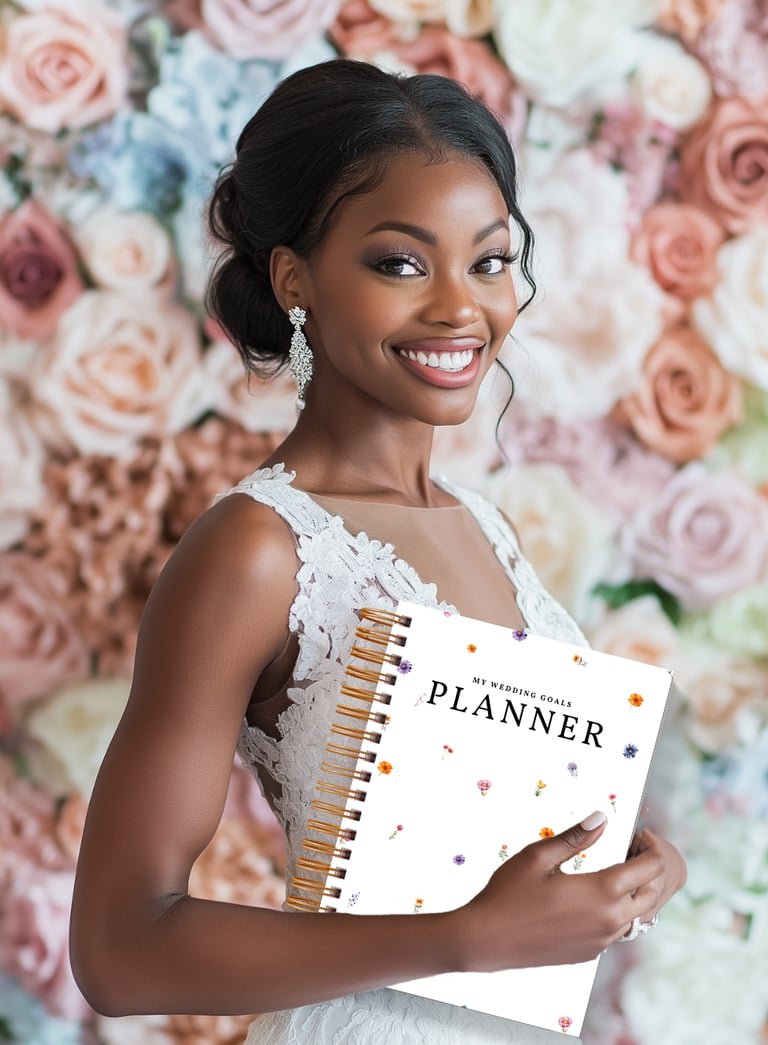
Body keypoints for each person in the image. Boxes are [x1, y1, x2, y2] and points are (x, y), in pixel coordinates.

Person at [70, 58, 686, 1044]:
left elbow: (507, 848)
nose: (458, 308)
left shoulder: (487, 526)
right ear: (294, 276)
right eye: (400, 263)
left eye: (488, 261)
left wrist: (640, 868)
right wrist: (458, 938)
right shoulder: (257, 549)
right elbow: (118, 947)